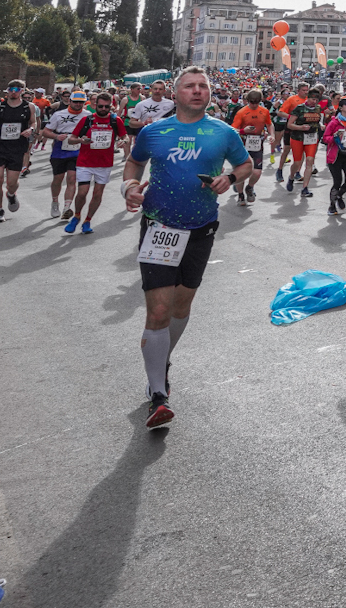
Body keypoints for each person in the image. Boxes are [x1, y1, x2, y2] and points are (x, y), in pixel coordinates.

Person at [121, 67, 251, 429]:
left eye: (203, 87)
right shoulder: (153, 131)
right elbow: (134, 162)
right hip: (159, 226)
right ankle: (158, 394)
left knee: (181, 306)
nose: (197, 91)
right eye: (190, 86)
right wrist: (129, 186)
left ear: (210, 94)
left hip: (202, 228)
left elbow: (246, 164)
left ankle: (161, 361)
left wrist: (231, 177)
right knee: (159, 311)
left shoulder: (223, 132)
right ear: (175, 93)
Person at [66, 90, 130, 234]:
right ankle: (76, 216)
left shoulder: (115, 120)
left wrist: (122, 141)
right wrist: (81, 140)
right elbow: (71, 138)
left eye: (106, 107)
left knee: (97, 194)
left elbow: (125, 137)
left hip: (104, 163)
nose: (103, 109)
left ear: (111, 106)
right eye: (100, 106)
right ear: (95, 105)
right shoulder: (87, 120)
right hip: (85, 162)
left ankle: (87, 220)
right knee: (82, 192)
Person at [0, 82, 37, 222]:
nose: (13, 92)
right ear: (7, 91)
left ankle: (11, 194)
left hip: (17, 146)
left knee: (12, 182)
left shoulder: (28, 107)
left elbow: (33, 123)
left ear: (22, 91)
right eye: (11, 90)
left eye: (16, 90)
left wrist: (30, 130)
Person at [41, 90, 87, 220]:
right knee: (58, 179)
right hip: (60, 149)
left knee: (72, 178)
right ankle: (55, 202)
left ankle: (67, 208)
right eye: (76, 102)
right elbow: (45, 132)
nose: (78, 105)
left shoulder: (88, 115)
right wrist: (56, 136)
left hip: (78, 149)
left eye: (81, 103)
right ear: (70, 101)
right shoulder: (59, 114)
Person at [229, 90, 271, 204]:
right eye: (252, 102)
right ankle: (240, 195)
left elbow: (269, 124)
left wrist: (271, 135)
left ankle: (250, 187)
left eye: (257, 102)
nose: (254, 104)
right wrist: (243, 130)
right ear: (247, 101)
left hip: (257, 144)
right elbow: (232, 130)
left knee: (257, 172)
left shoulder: (264, 111)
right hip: (242, 144)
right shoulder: (241, 112)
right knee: (240, 172)